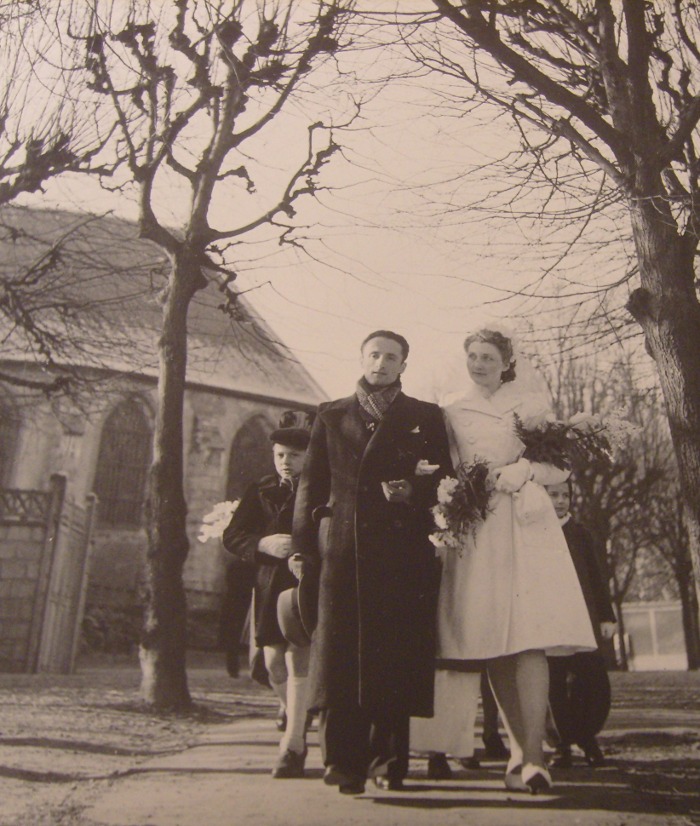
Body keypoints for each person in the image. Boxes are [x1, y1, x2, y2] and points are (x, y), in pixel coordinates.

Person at [414, 325, 597, 794]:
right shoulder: (452, 408)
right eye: (473, 356)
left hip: (526, 522)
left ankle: (535, 757)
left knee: (529, 639)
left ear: (506, 363)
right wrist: (453, 494)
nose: (479, 365)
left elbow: (561, 465)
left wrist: (526, 469)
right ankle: (518, 751)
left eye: (489, 358)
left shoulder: (530, 404)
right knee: (494, 639)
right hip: (478, 525)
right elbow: (442, 467)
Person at [291, 330, 453, 795]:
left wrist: (413, 490)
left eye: (391, 357)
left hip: (402, 554)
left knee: (393, 655)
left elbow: (445, 479)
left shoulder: (425, 415)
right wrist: (302, 548)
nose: (381, 363)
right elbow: (311, 486)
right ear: (362, 359)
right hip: (342, 551)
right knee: (339, 655)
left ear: (404, 365)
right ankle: (342, 763)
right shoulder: (331, 414)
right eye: (374, 355)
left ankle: (388, 762)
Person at [222, 410, 314, 779]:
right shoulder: (260, 489)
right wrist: (262, 544)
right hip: (269, 583)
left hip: (305, 582)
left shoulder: (321, 489)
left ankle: (293, 745)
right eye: (280, 455)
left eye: (294, 455)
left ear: (308, 457)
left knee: (298, 656)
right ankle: (295, 714)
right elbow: (233, 535)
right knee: (273, 662)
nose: (286, 462)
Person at [545, 479, 617, 768]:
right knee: (553, 686)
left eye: (565, 495)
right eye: (553, 495)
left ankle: (587, 738)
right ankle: (561, 745)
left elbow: (597, 577)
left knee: (592, 682)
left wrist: (606, 615)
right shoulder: (533, 533)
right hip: (549, 621)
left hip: (582, 619)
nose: (560, 501)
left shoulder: (580, 533)